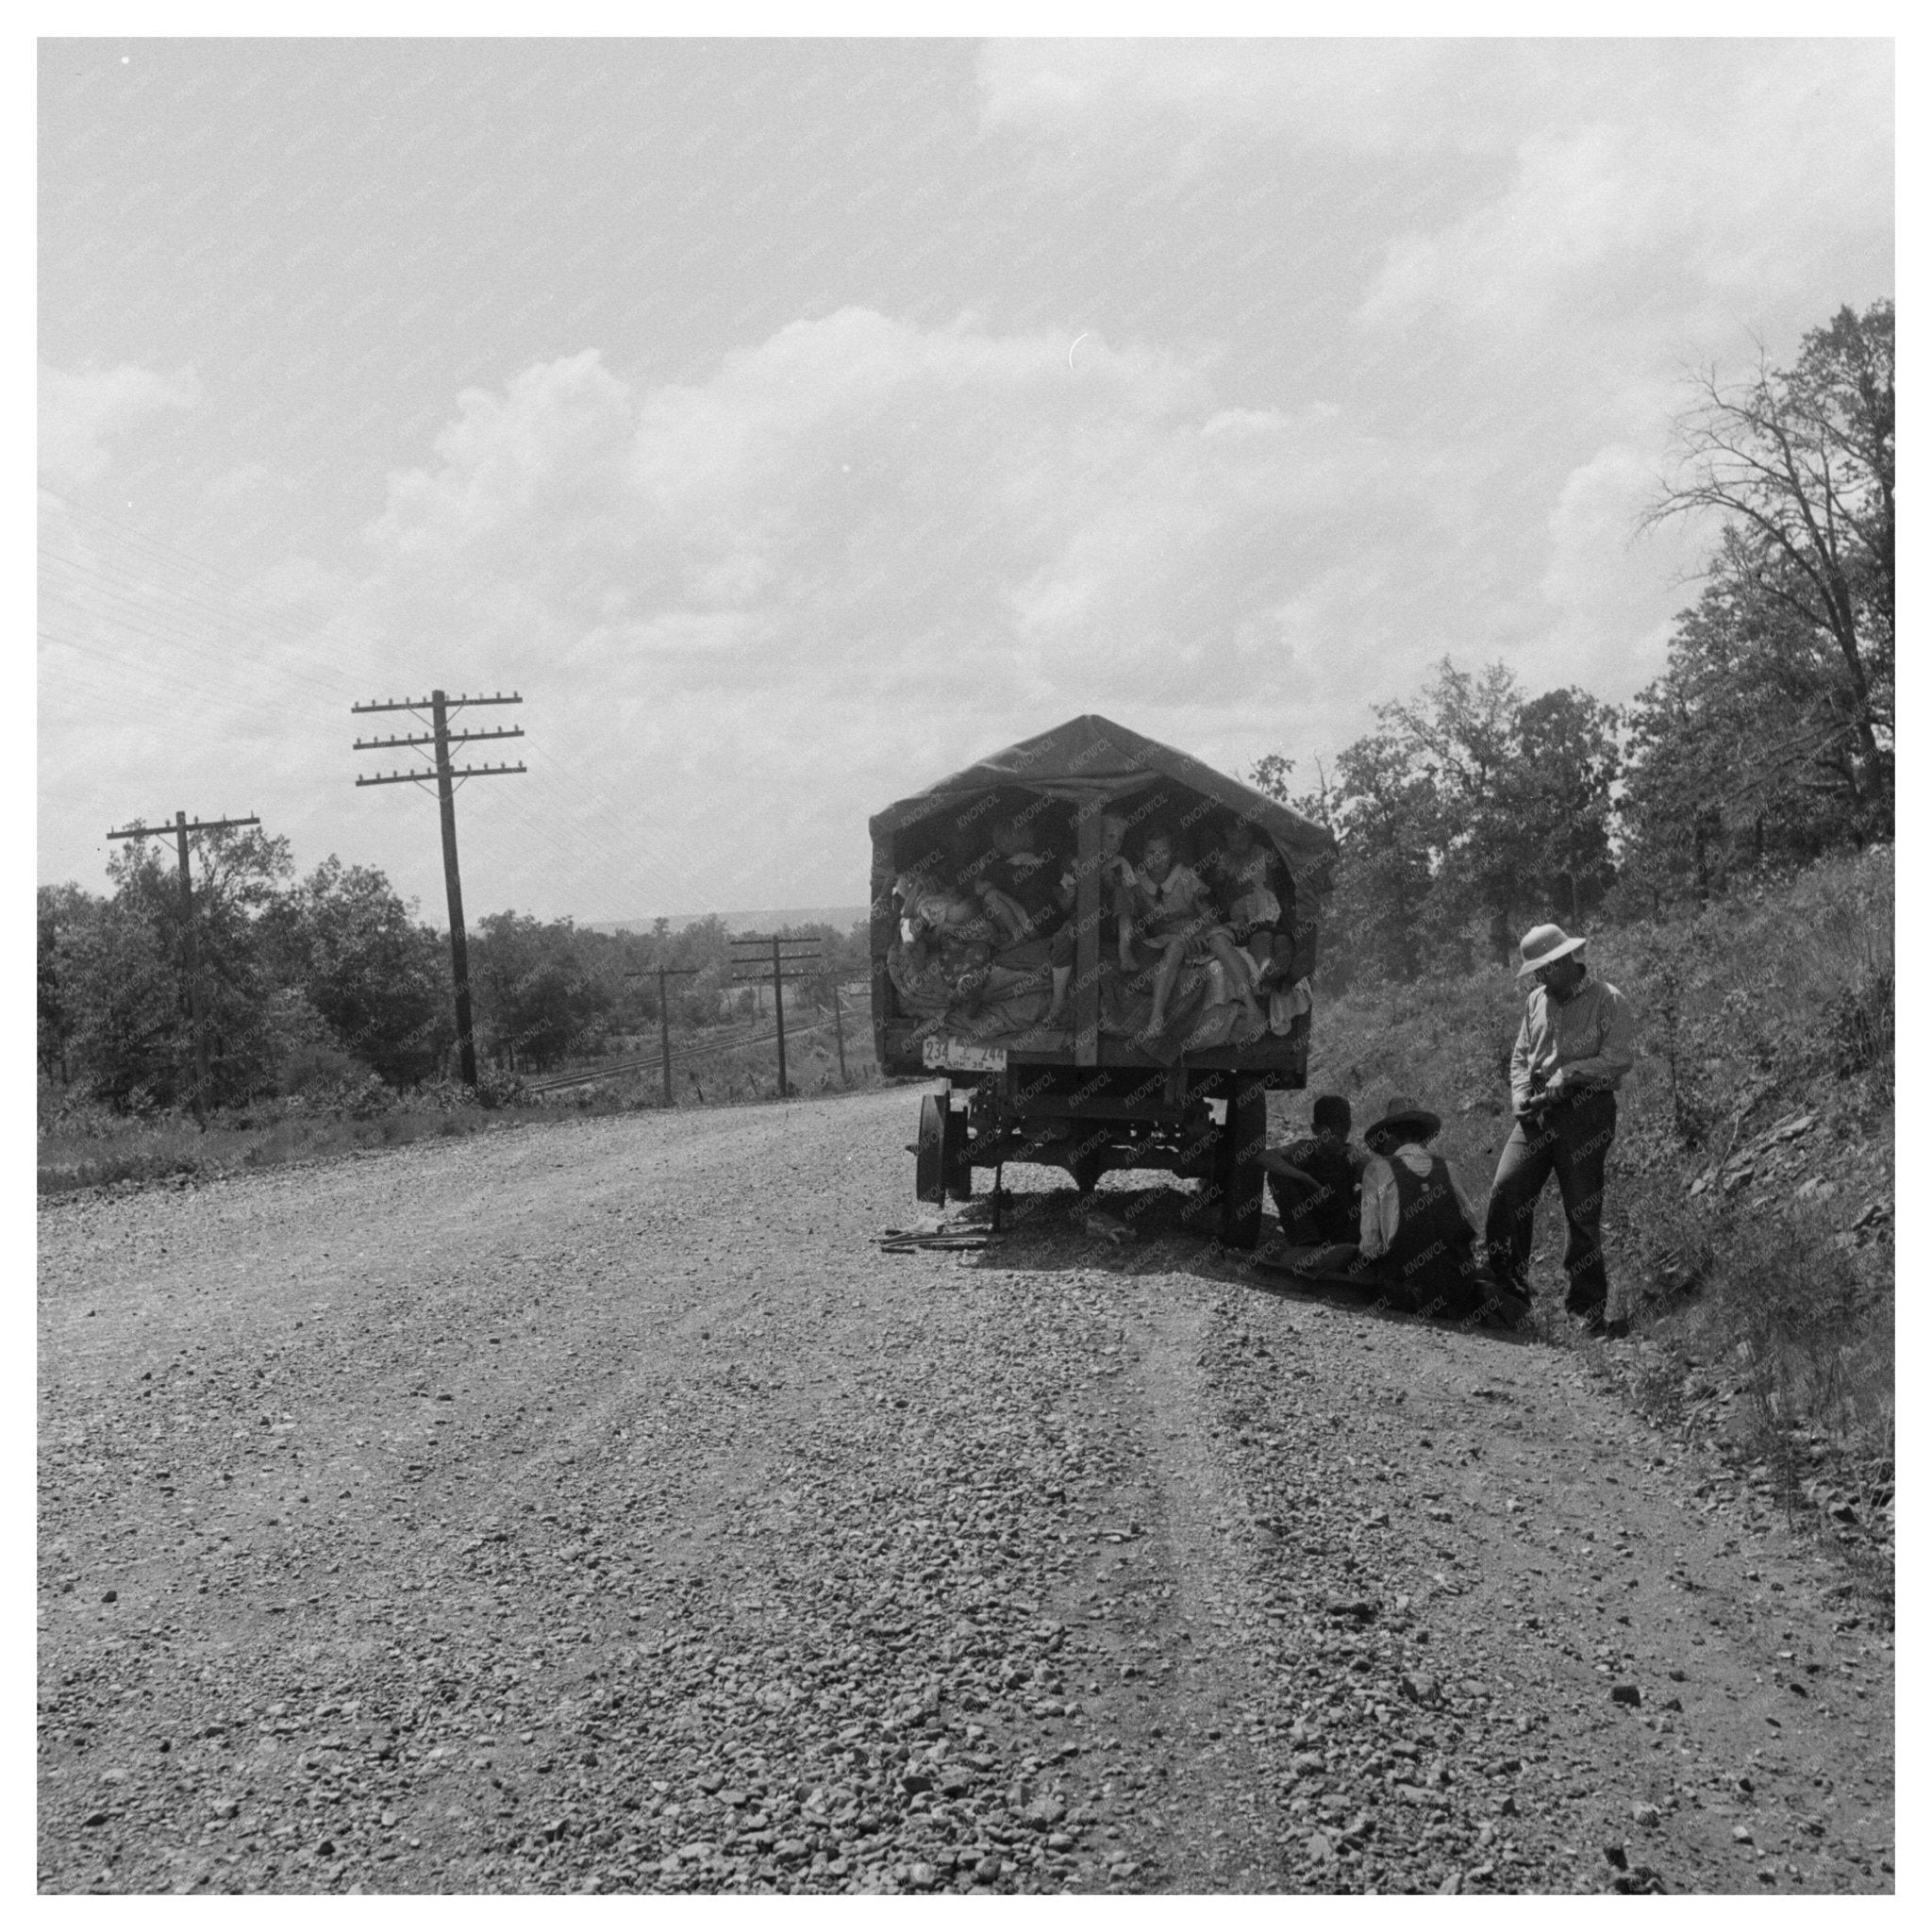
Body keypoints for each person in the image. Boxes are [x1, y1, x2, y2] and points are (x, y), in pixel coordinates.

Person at [1483, 922, 1637, 1335]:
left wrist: (1571, 1074)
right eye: (1536, 970)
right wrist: (1520, 1096)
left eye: (1546, 968)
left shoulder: (1609, 1000)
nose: (1540, 977)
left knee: (1581, 1211)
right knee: (1506, 1192)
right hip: (1536, 1114)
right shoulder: (1536, 1000)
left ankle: (1585, 1310)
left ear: (1568, 959)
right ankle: (1509, 1292)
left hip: (1585, 1113)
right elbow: (1521, 1057)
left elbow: (1621, 1057)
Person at [1353, 1097, 1495, 1317]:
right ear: (1423, 1138)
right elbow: (1473, 1229)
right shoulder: (1450, 1168)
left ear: (1389, 1137)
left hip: (1405, 1292)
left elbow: (1370, 1248)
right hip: (1456, 1291)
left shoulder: (1376, 1169)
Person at [1116, 830, 1265, 1040]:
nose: (1157, 858)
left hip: (1198, 931)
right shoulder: (1137, 883)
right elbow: (1131, 917)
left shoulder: (1185, 877)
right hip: (1169, 939)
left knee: (1219, 941)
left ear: (1172, 853)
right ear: (1141, 854)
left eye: (1163, 852)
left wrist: (1204, 933)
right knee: (1175, 945)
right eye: (1151, 852)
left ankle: (1252, 1007)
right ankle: (1156, 1019)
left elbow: (1207, 915)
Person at [973, 815, 1076, 1025]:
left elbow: (979, 890)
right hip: (1050, 923)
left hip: (1031, 924)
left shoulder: (1003, 867)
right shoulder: (1045, 863)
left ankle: (1018, 937)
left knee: (991, 896)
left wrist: (981, 870)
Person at [1255, 1093, 1366, 1245]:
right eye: (1330, 1134)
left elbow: (1379, 1173)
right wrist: (1305, 1177)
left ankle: (1357, 1242)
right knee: (1278, 1174)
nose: (1337, 1140)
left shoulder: (1350, 1153)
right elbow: (1265, 1157)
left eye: (1342, 1134)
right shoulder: (1306, 1150)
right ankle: (1306, 1242)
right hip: (1311, 1224)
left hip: (1342, 1226)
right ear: (1315, 1130)